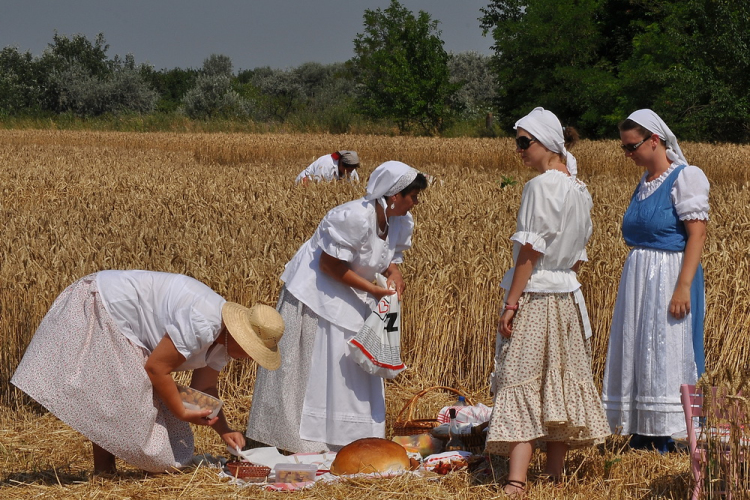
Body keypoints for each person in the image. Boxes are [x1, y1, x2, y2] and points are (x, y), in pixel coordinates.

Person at [11, 270, 285, 474]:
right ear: (239, 336)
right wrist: (180, 411)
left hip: (123, 320)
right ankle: (104, 472)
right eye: (251, 350)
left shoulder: (224, 343)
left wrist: (225, 430)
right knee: (124, 399)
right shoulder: (204, 323)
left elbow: (204, 391)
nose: (250, 358)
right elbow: (156, 369)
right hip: (106, 307)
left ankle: (105, 473)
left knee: (125, 402)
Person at [247, 161, 428, 453]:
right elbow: (328, 265)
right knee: (319, 362)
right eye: (413, 195)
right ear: (395, 195)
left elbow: (388, 257)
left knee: (350, 364)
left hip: (352, 291)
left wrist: (395, 274)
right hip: (318, 294)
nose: (416, 202)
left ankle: (349, 440)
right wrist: (373, 289)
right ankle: (302, 441)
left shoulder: (398, 221)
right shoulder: (354, 217)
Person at [484, 107, 610, 498]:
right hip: (568, 299)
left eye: (525, 142)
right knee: (557, 381)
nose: (519, 150)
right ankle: (554, 475)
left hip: (537, 297)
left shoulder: (539, 187)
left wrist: (510, 303)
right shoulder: (579, 189)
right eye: (517, 142)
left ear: (547, 143)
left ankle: (516, 481)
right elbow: (577, 256)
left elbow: (528, 253)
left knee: (521, 379)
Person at [601, 109, 709, 453]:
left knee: (667, 347)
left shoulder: (685, 177)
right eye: (624, 149)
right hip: (640, 280)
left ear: (655, 140)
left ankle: (669, 431)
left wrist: (682, 286)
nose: (628, 154)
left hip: (669, 276)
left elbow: (697, 234)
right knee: (640, 347)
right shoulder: (646, 181)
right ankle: (643, 429)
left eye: (632, 147)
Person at [295, 150, 361, 184]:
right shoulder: (326, 165)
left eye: (352, 169)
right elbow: (316, 184)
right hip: (306, 182)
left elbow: (354, 186)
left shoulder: (352, 170)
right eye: (348, 169)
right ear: (341, 163)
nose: (350, 172)